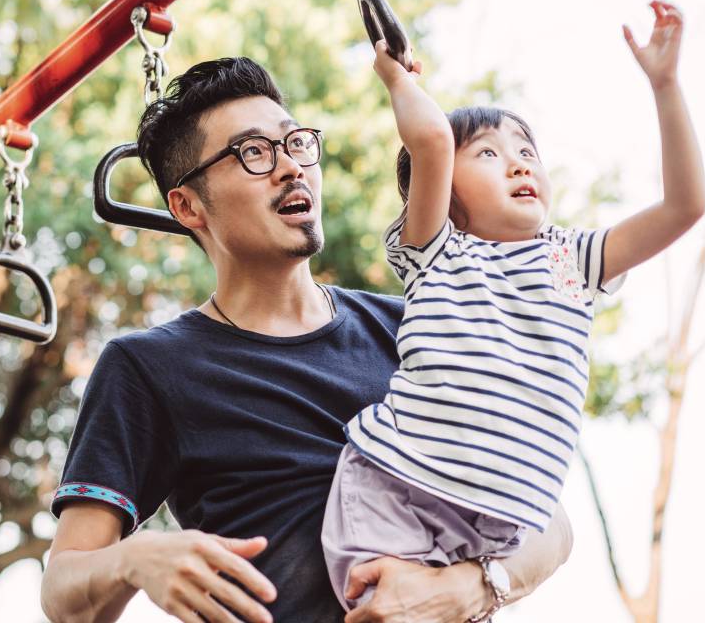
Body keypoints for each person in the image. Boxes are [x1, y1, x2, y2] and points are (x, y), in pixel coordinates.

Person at [40, 57, 581, 623]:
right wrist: (137, 557)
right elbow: (64, 589)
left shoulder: (413, 325)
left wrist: (465, 589)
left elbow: (550, 521)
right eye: (253, 153)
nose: (291, 168)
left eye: (296, 144)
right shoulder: (147, 367)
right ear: (187, 206)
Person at [321, 0, 705, 616]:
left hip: (497, 527)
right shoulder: (437, 251)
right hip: (396, 485)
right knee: (380, 609)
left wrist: (665, 87)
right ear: (445, 191)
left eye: (527, 148)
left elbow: (683, 208)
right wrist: (399, 78)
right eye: (489, 153)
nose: (520, 160)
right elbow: (428, 141)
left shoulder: (570, 260)